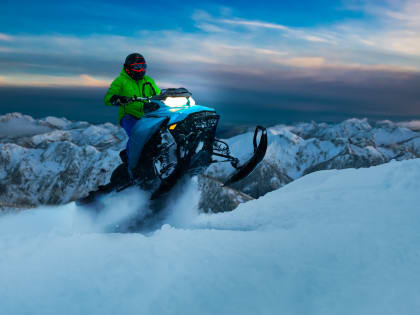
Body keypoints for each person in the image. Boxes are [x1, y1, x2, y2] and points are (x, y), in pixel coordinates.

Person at [104, 53, 160, 163]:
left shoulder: (148, 81)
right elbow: (108, 98)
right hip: (129, 115)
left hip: (148, 115)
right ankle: (131, 161)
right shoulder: (120, 81)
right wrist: (118, 99)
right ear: (128, 67)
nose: (140, 70)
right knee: (138, 134)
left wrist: (163, 97)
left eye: (143, 67)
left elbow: (158, 94)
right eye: (137, 67)